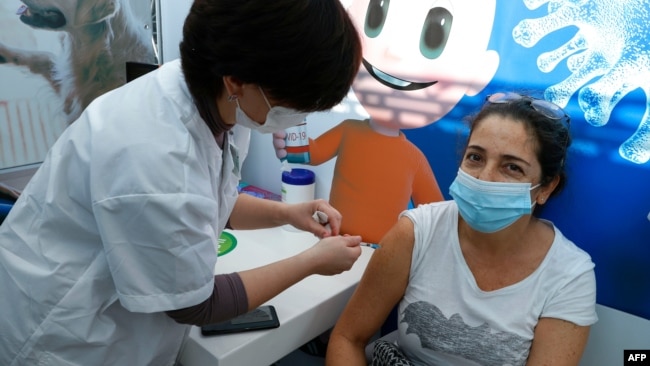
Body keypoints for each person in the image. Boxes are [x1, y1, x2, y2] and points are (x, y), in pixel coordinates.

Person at [0, 1, 363, 365]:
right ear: (237, 80)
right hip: (61, 332)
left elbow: (214, 198)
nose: (298, 115)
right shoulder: (155, 151)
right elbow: (195, 305)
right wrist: (311, 262)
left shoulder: (219, 102)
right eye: (295, 104)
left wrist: (289, 213)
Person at [326, 92, 598, 366]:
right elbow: (348, 338)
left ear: (546, 188)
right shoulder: (417, 231)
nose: (484, 177)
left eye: (512, 167)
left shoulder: (568, 276)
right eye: (476, 158)